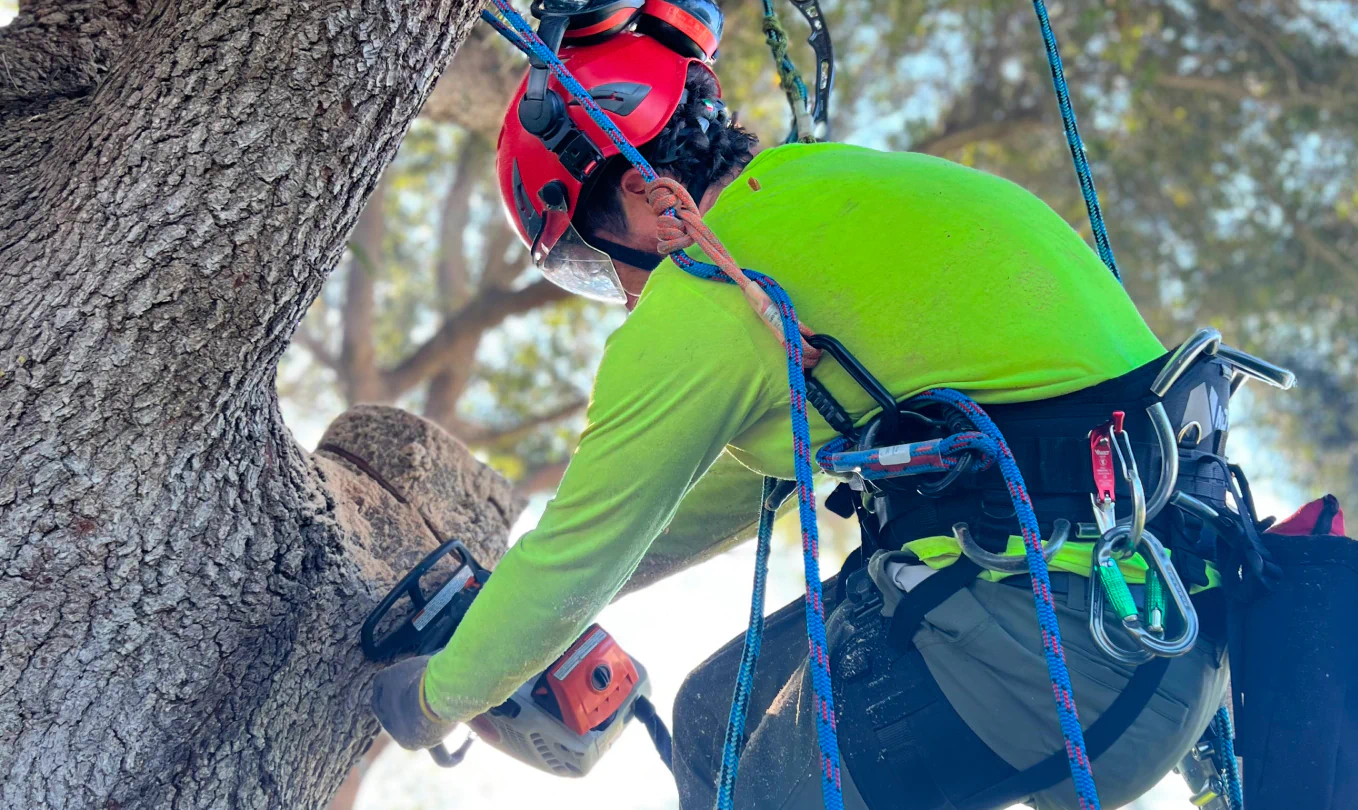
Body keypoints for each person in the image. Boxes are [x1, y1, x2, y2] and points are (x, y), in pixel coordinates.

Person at [371, 31, 1234, 810]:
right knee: (714, 717)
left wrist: (426, 700)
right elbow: (676, 515)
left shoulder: (709, 287)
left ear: (644, 194)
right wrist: (519, 611)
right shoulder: (826, 195)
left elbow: (581, 546)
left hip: (1060, 652)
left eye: (591, 267)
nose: (620, 295)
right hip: (1171, 628)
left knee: (746, 789)